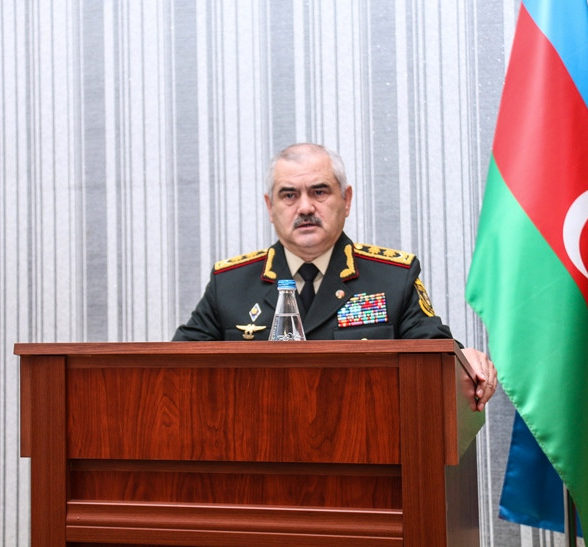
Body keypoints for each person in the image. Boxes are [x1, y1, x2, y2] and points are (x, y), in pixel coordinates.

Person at [174, 143, 497, 410]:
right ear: (270, 207)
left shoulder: (392, 278)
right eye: (289, 195)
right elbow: (175, 370)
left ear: (346, 200)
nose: (305, 208)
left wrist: (461, 362)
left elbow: (434, 353)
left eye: (319, 192)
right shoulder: (230, 284)